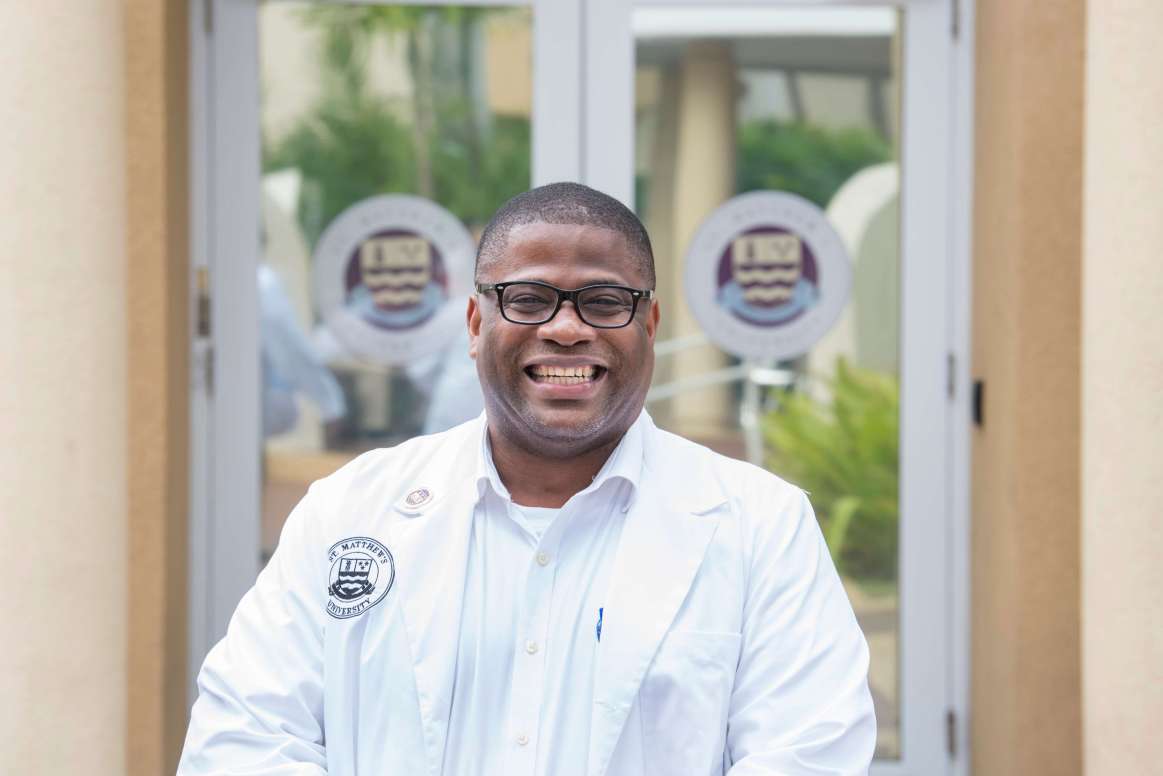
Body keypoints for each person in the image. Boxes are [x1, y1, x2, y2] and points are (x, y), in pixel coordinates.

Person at [178, 182, 876, 775]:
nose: (566, 328)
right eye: (528, 298)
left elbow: (808, 753)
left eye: (605, 300)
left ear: (650, 323)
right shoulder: (349, 511)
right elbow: (242, 739)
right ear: (475, 322)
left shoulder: (760, 526)